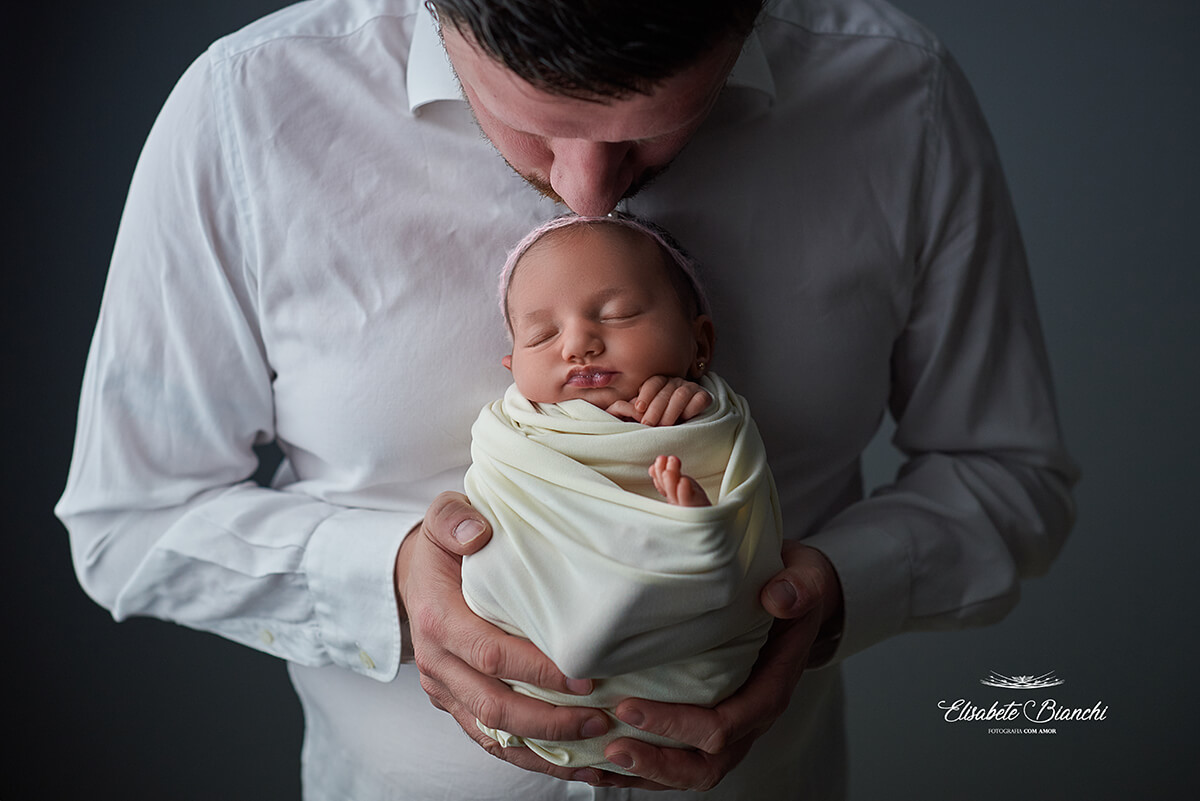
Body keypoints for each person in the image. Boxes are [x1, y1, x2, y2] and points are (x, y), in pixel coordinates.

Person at [56, 1, 1078, 798]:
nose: (588, 190)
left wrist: (820, 598)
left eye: (653, 131)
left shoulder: (900, 96)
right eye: (533, 124)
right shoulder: (247, 108)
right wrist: (391, 587)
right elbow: (127, 522)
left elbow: (1010, 477)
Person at [461, 212, 783, 773]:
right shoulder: (513, 431)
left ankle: (692, 541)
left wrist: (690, 428)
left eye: (619, 315)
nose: (579, 343)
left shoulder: (711, 418)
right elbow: (502, 516)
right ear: (513, 367)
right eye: (542, 335)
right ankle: (686, 544)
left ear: (699, 341)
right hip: (500, 710)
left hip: (721, 713)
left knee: (707, 529)